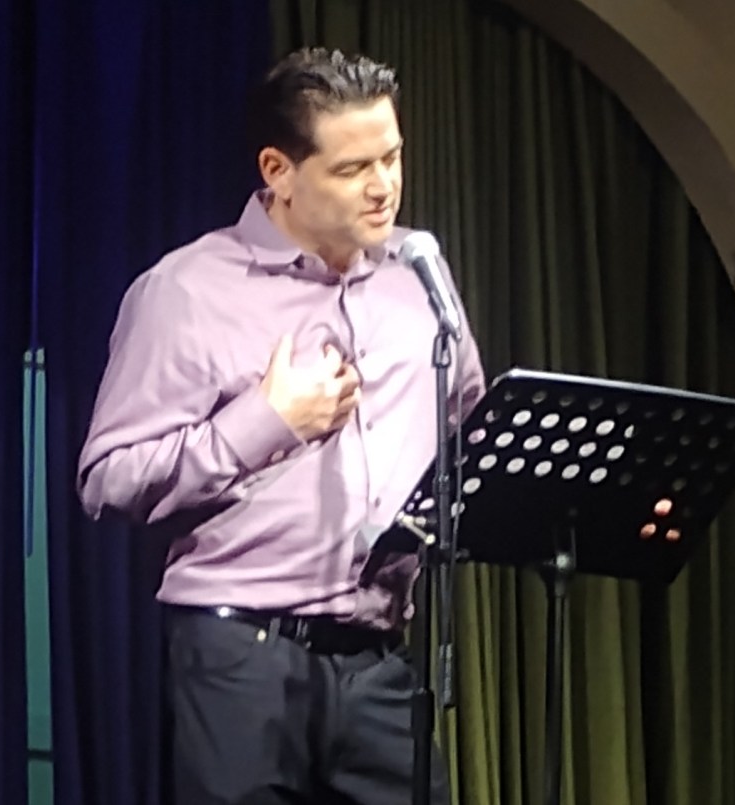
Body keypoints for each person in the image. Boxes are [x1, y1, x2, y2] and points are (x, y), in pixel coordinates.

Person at [77, 47, 486, 805]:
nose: (384, 186)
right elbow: (109, 480)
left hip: (379, 657)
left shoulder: (419, 277)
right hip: (242, 657)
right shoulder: (188, 290)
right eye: (352, 168)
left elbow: (467, 430)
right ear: (278, 171)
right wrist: (266, 422)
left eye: (392, 157)